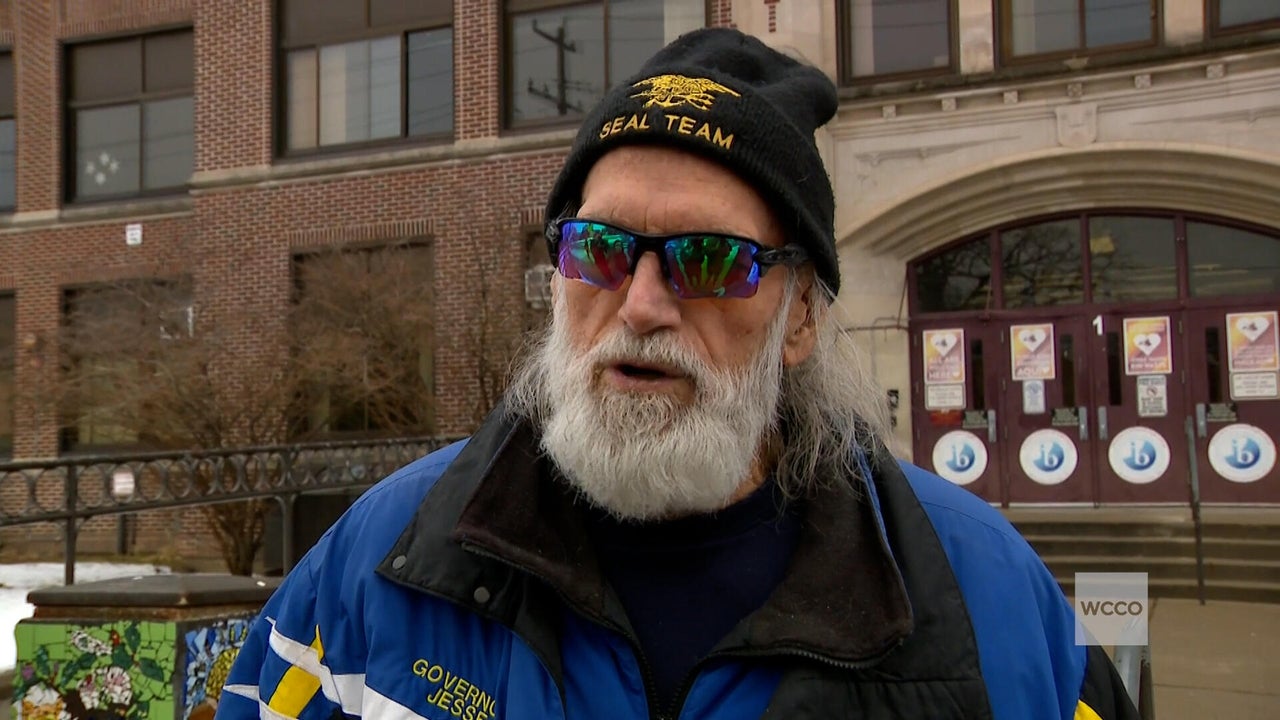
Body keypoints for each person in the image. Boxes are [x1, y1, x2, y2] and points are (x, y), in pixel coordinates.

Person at [216, 28, 1139, 720]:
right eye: (600, 249)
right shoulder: (380, 560)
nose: (643, 304)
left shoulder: (988, 597)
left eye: (709, 260)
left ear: (800, 317)